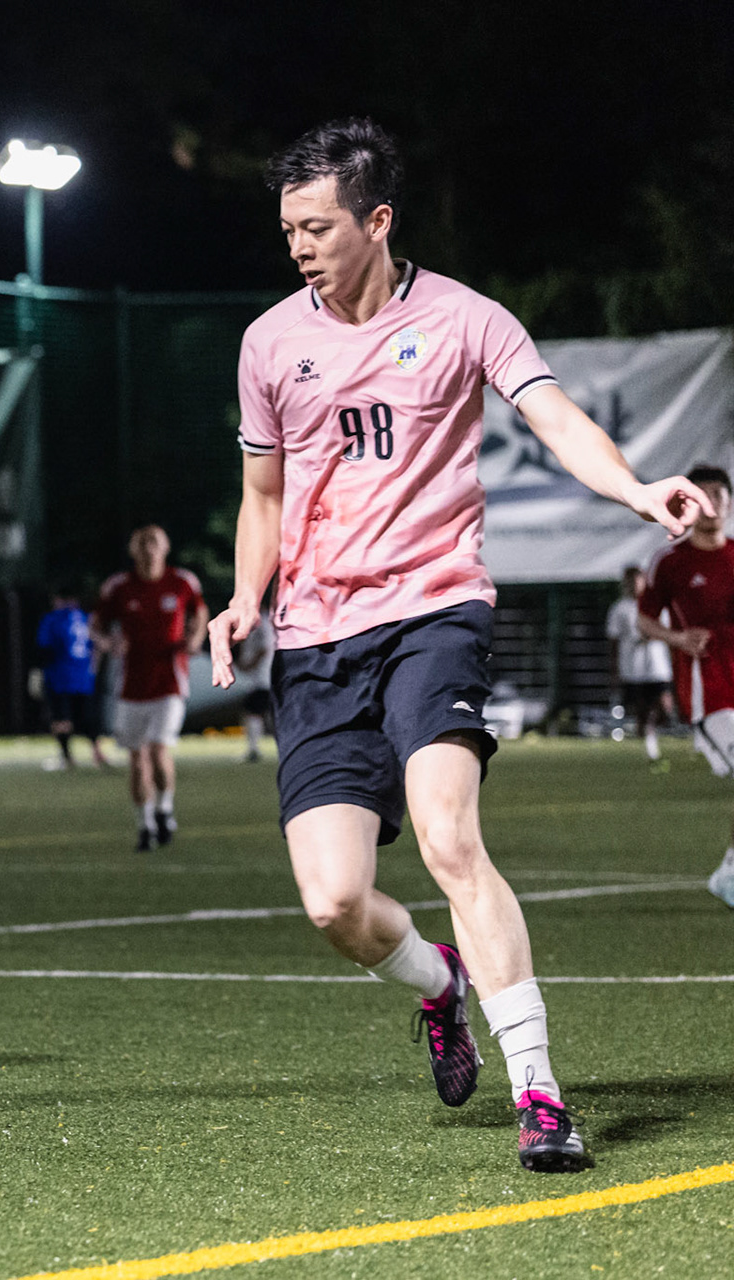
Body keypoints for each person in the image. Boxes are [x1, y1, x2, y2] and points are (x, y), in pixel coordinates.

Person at [211, 118, 711, 1172]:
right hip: (316, 638)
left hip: (435, 613)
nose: (299, 243)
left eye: (318, 225)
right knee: (334, 900)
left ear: (377, 220)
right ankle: (440, 984)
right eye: (289, 226)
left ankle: (541, 1091)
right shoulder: (269, 343)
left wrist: (636, 488)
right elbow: (263, 495)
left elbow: (560, 420)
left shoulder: (466, 320)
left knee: (446, 837)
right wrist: (246, 594)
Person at [636, 465, 734, 908]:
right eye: (703, 496)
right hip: (706, 689)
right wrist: (678, 639)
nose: (713, 504)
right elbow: (643, 619)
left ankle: (729, 872)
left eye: (720, 495)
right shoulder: (670, 561)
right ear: (688, 504)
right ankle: (729, 872)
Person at [96, 526, 207, 850]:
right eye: (142, 543)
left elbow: (199, 611)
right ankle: (144, 824)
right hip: (130, 684)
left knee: (158, 750)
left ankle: (164, 810)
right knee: (136, 758)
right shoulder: (119, 587)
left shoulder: (182, 581)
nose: (148, 548)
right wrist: (108, 641)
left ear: (166, 547)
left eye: (154, 542)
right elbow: (97, 625)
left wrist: (195, 637)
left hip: (170, 681)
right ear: (132, 549)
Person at [606, 565, 673, 764]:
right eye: (631, 582)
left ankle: (649, 740)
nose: (635, 586)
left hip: (658, 667)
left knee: (664, 708)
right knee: (642, 712)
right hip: (633, 669)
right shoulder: (620, 609)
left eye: (638, 580)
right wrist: (615, 671)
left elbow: (670, 633)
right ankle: (651, 752)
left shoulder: (657, 605)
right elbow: (613, 642)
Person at [36, 584, 107, 769]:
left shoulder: (52, 619)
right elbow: (98, 645)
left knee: (61, 718)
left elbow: (45, 647)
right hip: (84, 677)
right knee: (88, 716)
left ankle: (67, 758)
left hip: (60, 676)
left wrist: (40, 671)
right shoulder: (86, 618)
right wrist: (93, 669)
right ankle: (97, 753)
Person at [235, 602, 277, 762]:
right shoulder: (258, 621)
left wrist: (248, 665)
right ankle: (254, 749)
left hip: (261, 678)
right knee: (257, 713)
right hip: (258, 678)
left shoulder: (262, 623)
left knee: (254, 712)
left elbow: (264, 648)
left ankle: (253, 749)